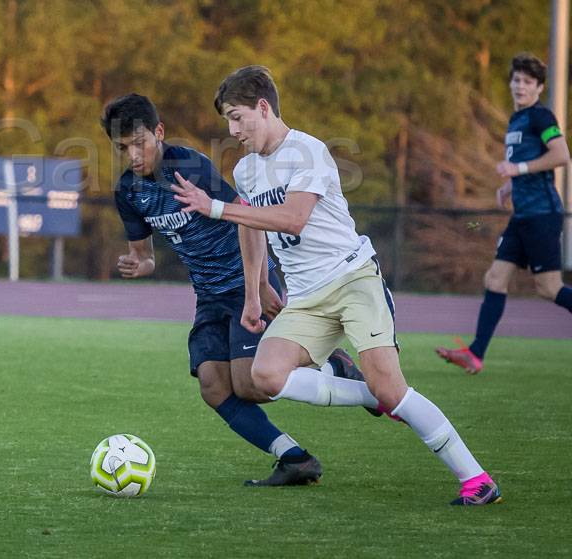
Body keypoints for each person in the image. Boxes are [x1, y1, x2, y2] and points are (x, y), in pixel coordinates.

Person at [170, 66, 500, 506]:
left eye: (237, 117)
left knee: (393, 390)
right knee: (264, 376)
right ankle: (366, 391)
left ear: (263, 107)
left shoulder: (308, 151)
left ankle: (477, 480)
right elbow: (251, 228)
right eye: (227, 121)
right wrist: (253, 294)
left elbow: (292, 219)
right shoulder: (247, 170)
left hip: (352, 281)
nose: (232, 130)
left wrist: (214, 207)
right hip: (306, 297)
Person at [103, 93, 371, 488]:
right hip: (208, 295)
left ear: (159, 133)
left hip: (245, 282)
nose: (133, 155)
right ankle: (293, 458)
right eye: (122, 148)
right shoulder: (128, 191)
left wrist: (259, 285)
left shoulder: (189, 166)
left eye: (139, 143)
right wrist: (138, 264)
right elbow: (144, 256)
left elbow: (248, 218)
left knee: (249, 384)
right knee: (213, 385)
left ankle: (332, 364)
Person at [437, 52, 572, 373]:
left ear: (539, 88)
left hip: (542, 214)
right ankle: (475, 354)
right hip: (522, 216)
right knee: (495, 278)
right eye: (516, 80)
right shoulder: (516, 120)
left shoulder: (541, 117)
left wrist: (518, 168)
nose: (520, 86)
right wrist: (510, 185)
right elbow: (527, 166)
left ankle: (476, 352)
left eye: (527, 82)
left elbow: (561, 155)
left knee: (549, 288)